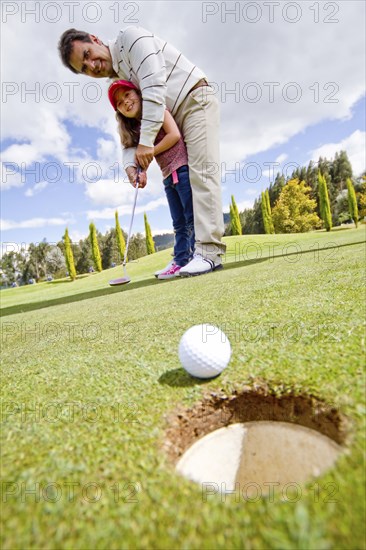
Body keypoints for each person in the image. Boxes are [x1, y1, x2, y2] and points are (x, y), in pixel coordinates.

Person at [58, 26, 226, 276]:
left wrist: (147, 144)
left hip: (193, 99)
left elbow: (154, 88)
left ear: (94, 39)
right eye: (84, 68)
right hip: (172, 115)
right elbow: (128, 131)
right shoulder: (118, 82)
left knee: (201, 173)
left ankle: (209, 253)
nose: (92, 66)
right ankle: (187, 256)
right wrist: (130, 164)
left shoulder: (131, 39)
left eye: (88, 55)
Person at [108, 79, 195, 279]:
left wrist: (150, 151)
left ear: (138, 93)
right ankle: (181, 261)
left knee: (191, 218)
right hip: (167, 176)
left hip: (181, 169)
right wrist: (141, 169)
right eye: (120, 103)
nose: (126, 102)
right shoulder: (136, 129)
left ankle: (197, 255)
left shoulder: (157, 110)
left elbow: (174, 135)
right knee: (179, 223)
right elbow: (135, 153)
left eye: (127, 95)